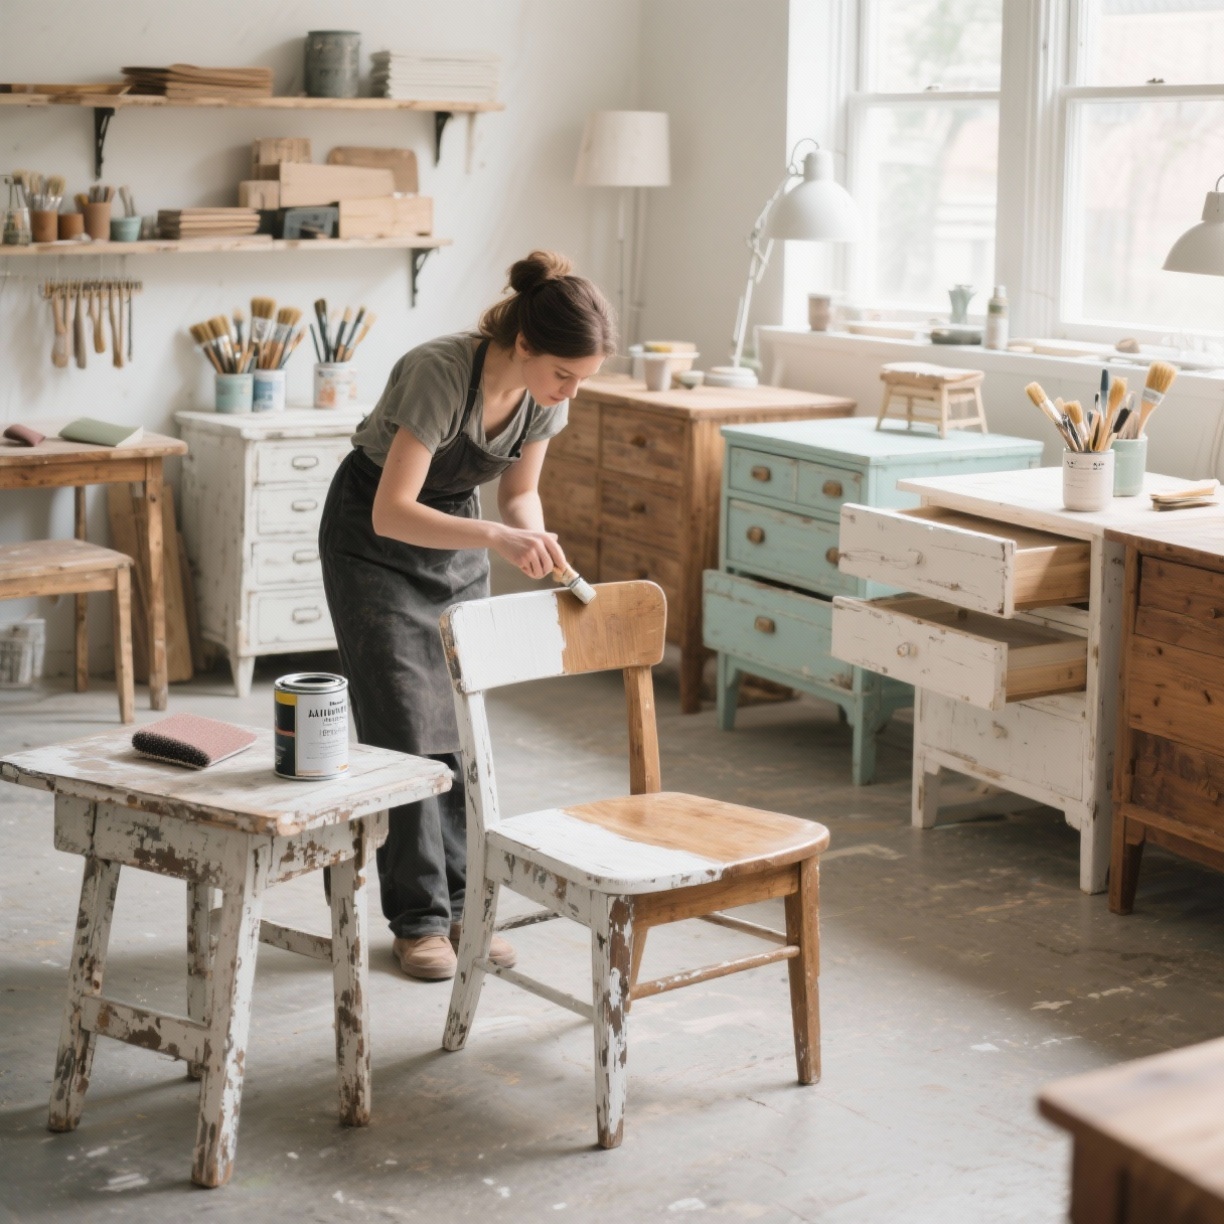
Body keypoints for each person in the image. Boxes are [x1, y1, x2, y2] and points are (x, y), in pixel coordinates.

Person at [319, 250, 615, 981]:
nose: (569, 392)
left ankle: (462, 907)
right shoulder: (439, 373)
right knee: (404, 729)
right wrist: (496, 536)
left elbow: (517, 497)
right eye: (563, 375)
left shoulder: (549, 396)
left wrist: (532, 536)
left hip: (454, 542)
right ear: (523, 344)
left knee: (457, 724)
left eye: (581, 379)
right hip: (374, 542)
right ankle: (417, 921)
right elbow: (393, 511)